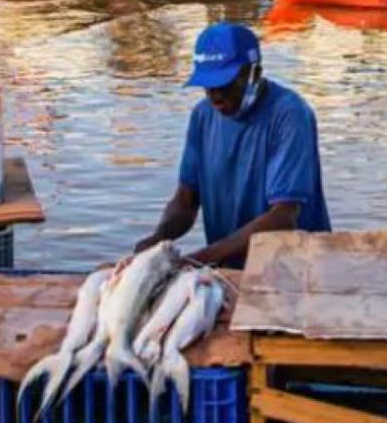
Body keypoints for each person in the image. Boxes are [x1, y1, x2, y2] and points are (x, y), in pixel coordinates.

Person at [135, 23, 331, 267]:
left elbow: (283, 216)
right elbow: (186, 200)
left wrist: (199, 259)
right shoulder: (202, 116)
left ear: (254, 74)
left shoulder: (290, 115)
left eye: (225, 85)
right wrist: (158, 239)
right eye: (209, 87)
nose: (216, 96)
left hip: (294, 267)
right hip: (227, 266)